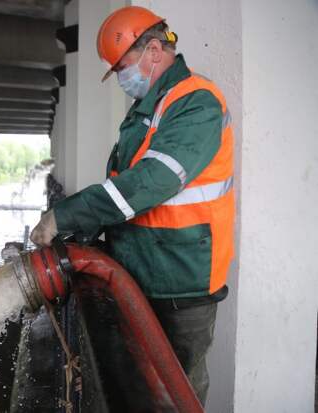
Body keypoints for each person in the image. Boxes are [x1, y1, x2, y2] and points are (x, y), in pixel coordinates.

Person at [30, 5, 234, 406]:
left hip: (181, 279)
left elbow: (149, 183)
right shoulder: (149, 109)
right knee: (142, 390)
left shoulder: (196, 102)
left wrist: (66, 215)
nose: (122, 78)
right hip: (146, 268)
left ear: (154, 50)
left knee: (175, 395)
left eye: (123, 66)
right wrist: (83, 230)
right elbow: (122, 186)